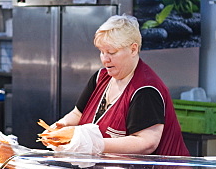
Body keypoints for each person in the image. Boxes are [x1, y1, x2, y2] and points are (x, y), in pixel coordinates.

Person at [47, 14, 189, 156]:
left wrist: (95, 144)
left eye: (112, 52)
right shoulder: (100, 78)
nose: (105, 59)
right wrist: (61, 126)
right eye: (102, 52)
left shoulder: (146, 90)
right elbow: (78, 113)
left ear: (133, 49)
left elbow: (146, 143)